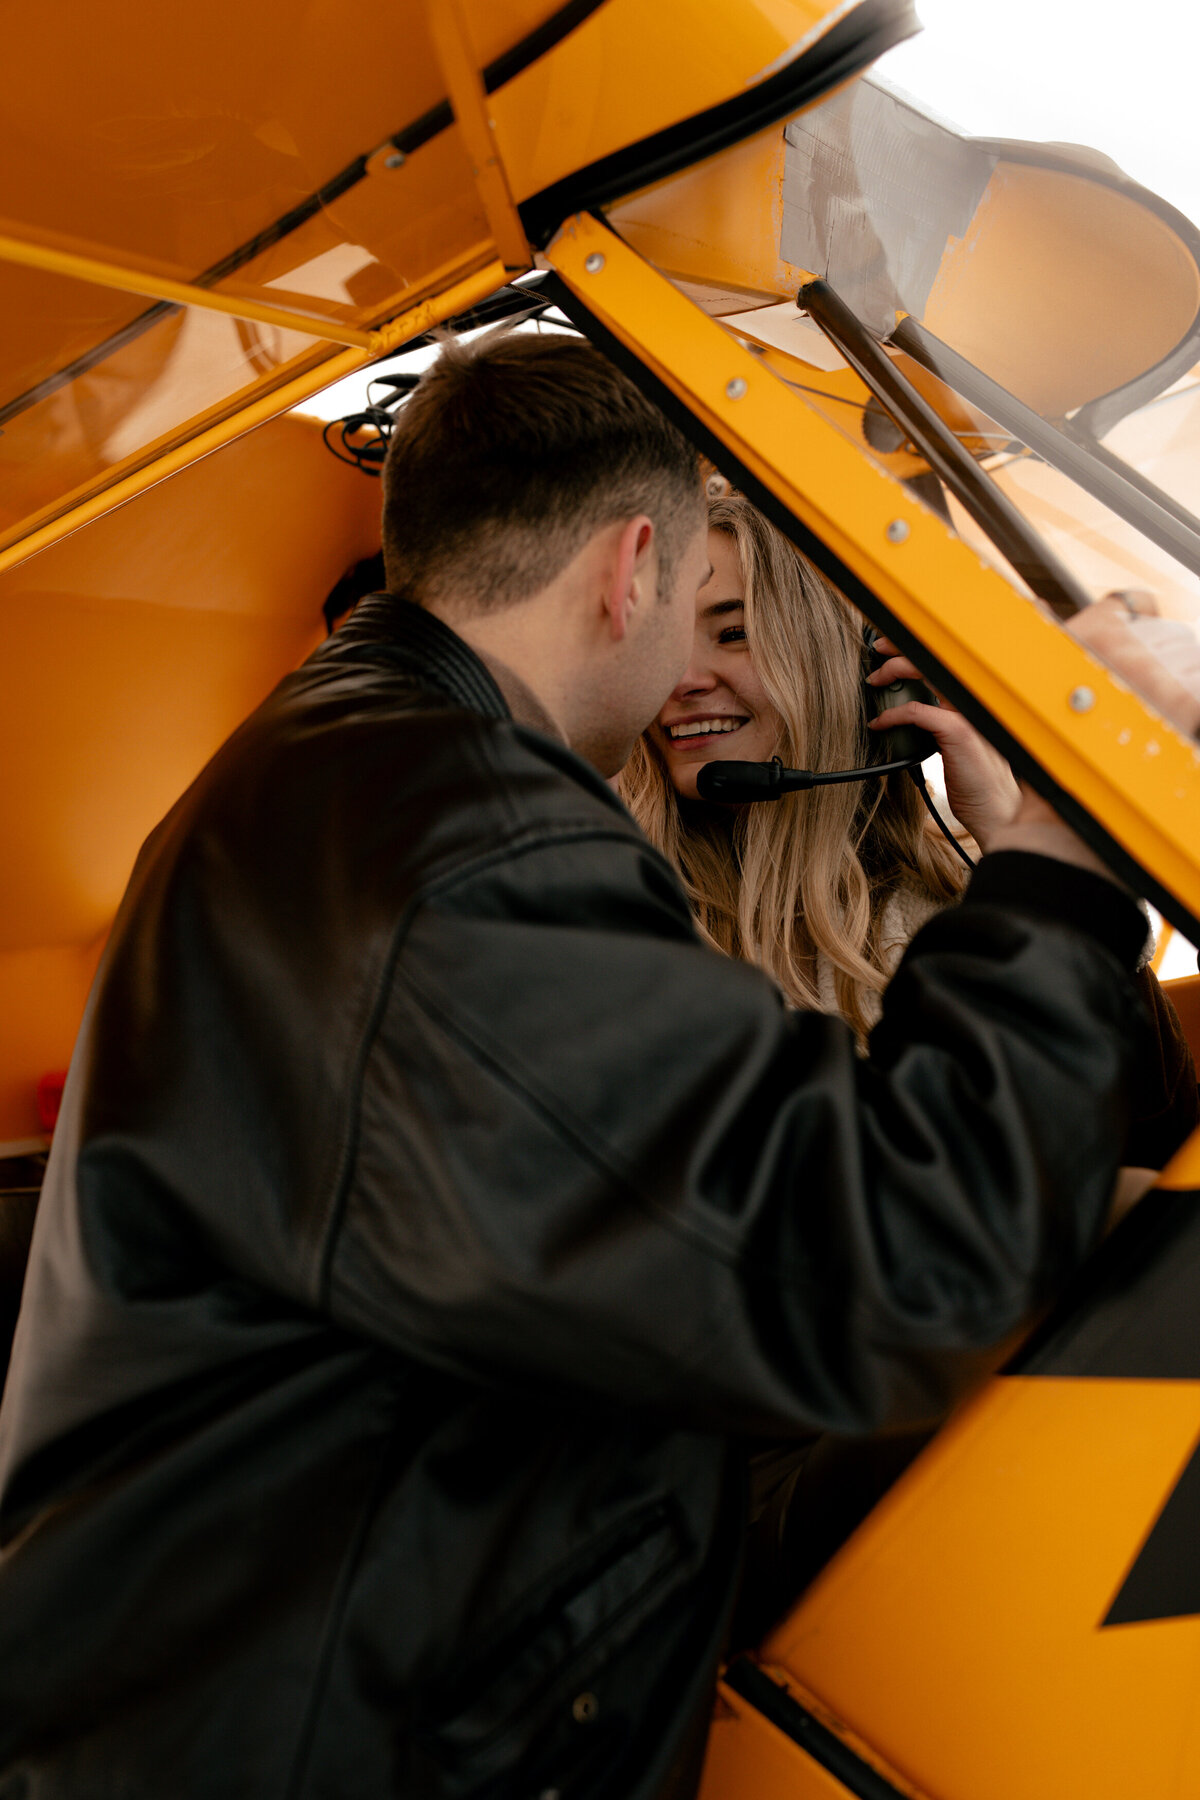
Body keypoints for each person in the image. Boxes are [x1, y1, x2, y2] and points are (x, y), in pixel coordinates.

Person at [0, 328, 1154, 1800]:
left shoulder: (347, 782)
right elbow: (885, 1267)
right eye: (694, 607)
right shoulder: (458, 840)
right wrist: (1055, 870)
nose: (688, 666)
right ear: (630, 570)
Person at [622, 495, 1196, 1165]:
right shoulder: (623, 914)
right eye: (659, 642)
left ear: (855, 672)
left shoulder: (968, 910)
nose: (681, 680)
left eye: (732, 633)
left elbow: (1155, 1156)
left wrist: (1016, 841)